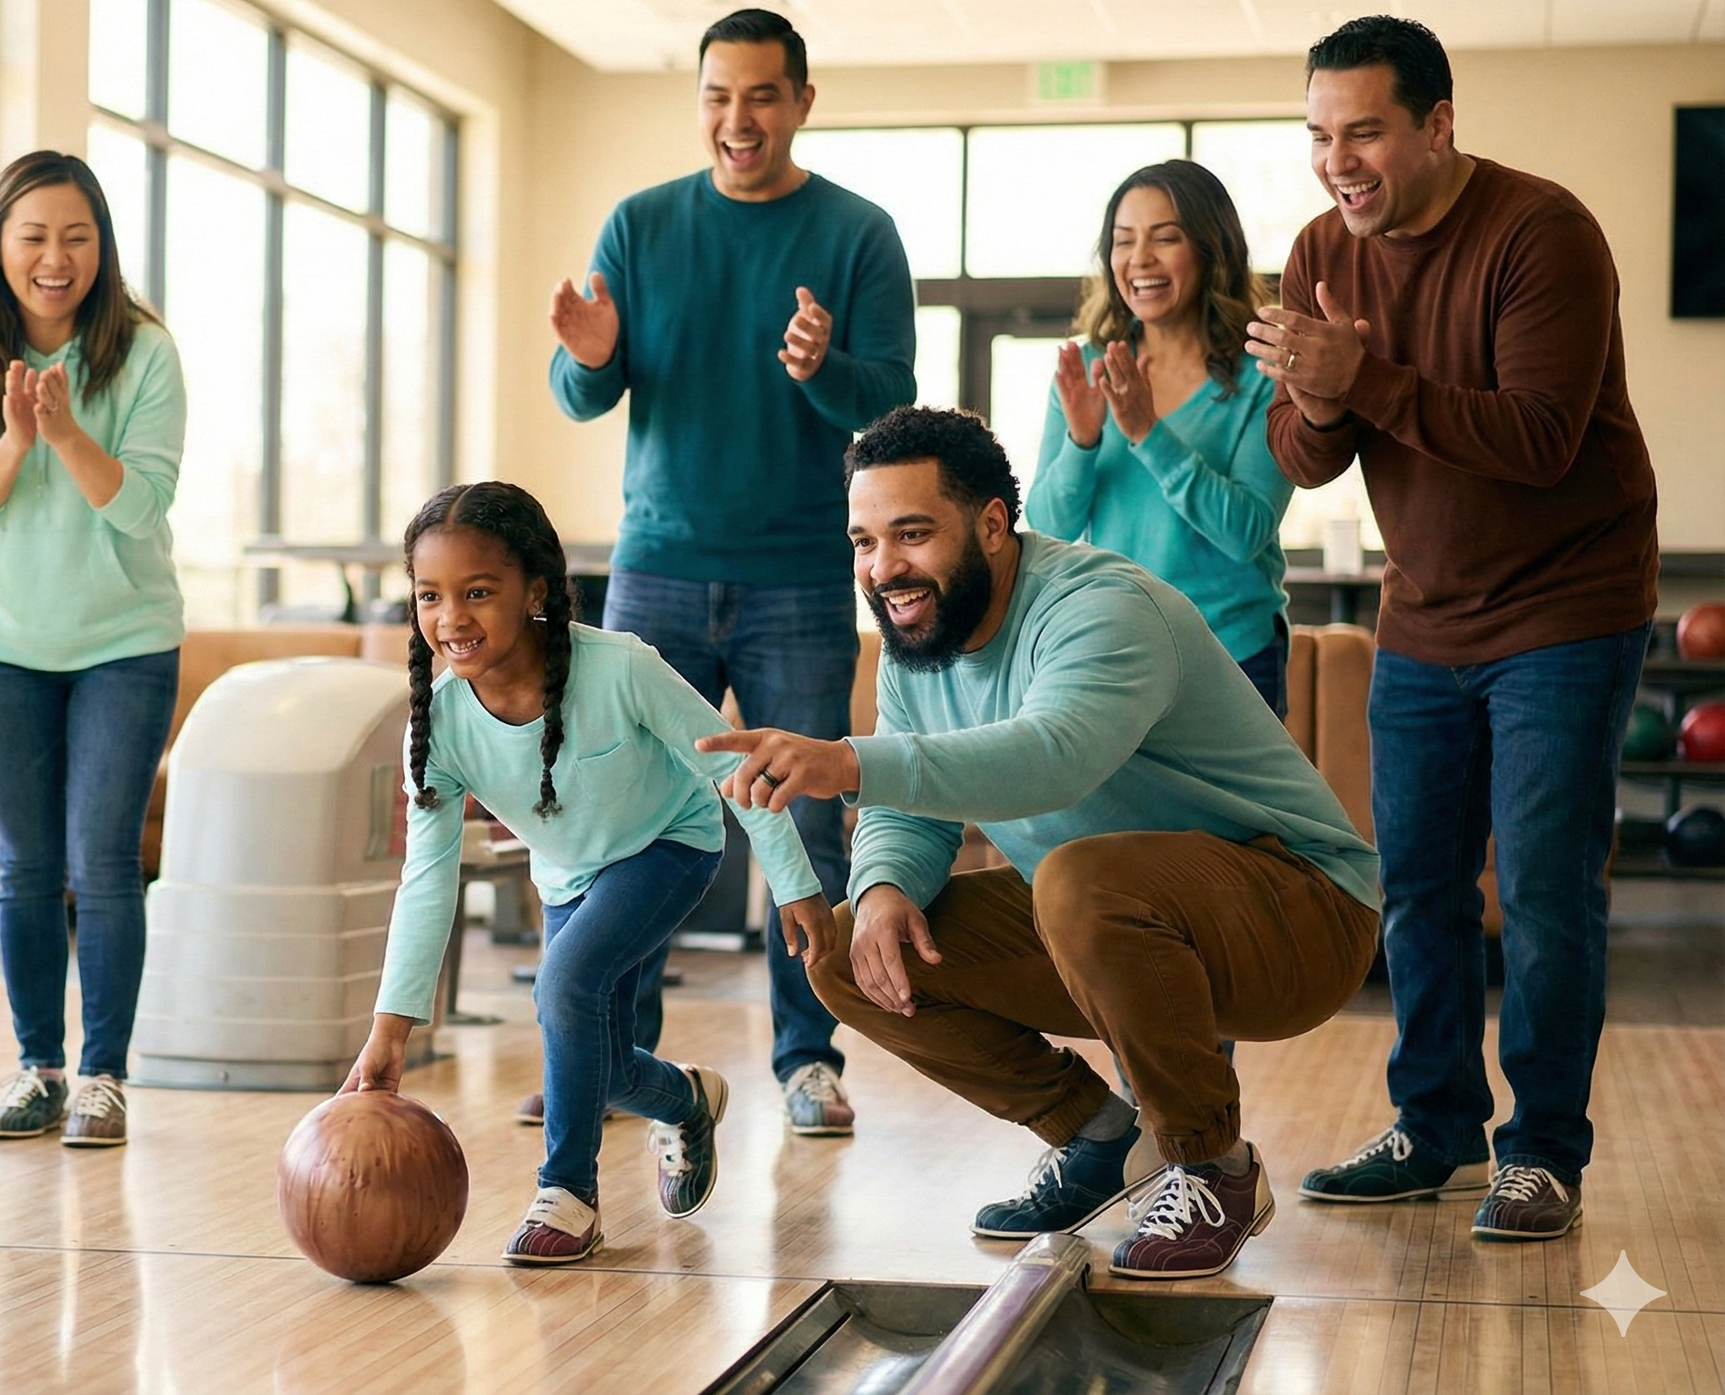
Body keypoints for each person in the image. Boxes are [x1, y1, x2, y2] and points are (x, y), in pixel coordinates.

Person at [703, 407, 1380, 1280]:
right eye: (865, 541)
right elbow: (912, 812)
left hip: (1304, 914)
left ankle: (1213, 1165)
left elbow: (1053, 757)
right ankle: (1098, 1137)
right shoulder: (923, 644)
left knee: (1076, 878)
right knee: (843, 953)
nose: (884, 568)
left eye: (912, 534)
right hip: (1110, 908)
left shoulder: (1100, 605)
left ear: (992, 524)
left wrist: (843, 761)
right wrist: (878, 889)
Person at [1253, 17, 1658, 1241]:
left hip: (1567, 608)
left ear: (1436, 124)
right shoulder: (1324, 247)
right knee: (1417, 887)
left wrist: (1362, 380)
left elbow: (1537, 440)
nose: (1338, 161)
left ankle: (1539, 1152)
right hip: (1424, 615)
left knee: (1539, 889)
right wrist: (1325, 392)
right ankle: (1431, 1129)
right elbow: (1299, 451)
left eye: (1364, 131)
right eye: (1321, 135)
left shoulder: (1544, 233)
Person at [544, 6, 916, 1138]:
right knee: (629, 816)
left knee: (797, 821)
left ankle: (806, 1058)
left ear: (801, 102)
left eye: (760, 95)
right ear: (698, 101)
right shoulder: (642, 225)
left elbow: (890, 402)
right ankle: (612, 1056)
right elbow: (580, 393)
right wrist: (590, 356)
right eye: (717, 95)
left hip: (800, 575)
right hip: (656, 565)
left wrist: (823, 367)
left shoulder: (858, 232)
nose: (736, 118)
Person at [343, 482, 833, 1266]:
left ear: (535, 592)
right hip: (569, 877)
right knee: (589, 1062)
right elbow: (427, 880)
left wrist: (794, 883)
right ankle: (685, 1098)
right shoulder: (436, 724)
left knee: (560, 987)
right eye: (430, 595)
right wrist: (391, 1027)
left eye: (478, 592)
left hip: (669, 842)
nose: (452, 617)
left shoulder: (620, 669)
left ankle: (567, 1193)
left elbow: (733, 766)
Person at [0, 151, 186, 1148]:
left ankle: (102, 1077)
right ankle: (37, 1069)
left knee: (105, 863)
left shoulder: (144, 356)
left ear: (102, 247)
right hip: (8, 645)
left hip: (126, 640)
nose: (55, 257)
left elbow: (143, 507)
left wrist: (68, 432)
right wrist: (14, 443)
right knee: (24, 867)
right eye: (33, 236)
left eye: (77, 236)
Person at [1026, 160, 1294, 716]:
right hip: (1114, 647)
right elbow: (1050, 525)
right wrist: (1081, 439)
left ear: (1210, 249)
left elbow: (1246, 532)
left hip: (1233, 654)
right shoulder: (1090, 365)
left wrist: (1148, 432)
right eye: (1123, 242)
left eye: (1165, 238)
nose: (1140, 259)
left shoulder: (1261, 373)